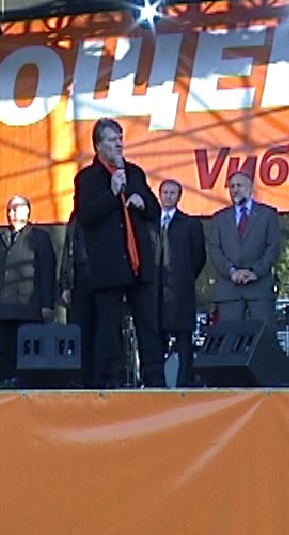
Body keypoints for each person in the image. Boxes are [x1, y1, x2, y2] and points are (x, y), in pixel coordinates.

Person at [74, 117, 164, 388]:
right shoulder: (88, 179)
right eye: (112, 140)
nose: (119, 144)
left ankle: (155, 383)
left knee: (148, 327)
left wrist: (143, 202)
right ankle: (109, 385)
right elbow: (85, 216)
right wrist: (112, 194)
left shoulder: (134, 173)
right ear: (98, 146)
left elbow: (155, 210)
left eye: (121, 139)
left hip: (138, 265)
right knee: (108, 329)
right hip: (108, 268)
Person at [0, 195, 56, 380]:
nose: (10, 213)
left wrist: (47, 304)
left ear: (26, 211)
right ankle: (10, 383)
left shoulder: (39, 237)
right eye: (8, 210)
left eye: (15, 209)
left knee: (30, 353)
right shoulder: (0, 239)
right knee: (6, 351)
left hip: (30, 307)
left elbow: (47, 271)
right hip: (5, 308)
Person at [208, 171, 281, 330]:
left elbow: (273, 247)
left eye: (239, 186)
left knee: (264, 337)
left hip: (259, 290)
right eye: (232, 186)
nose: (235, 190)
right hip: (229, 291)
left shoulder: (267, 215)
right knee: (230, 337)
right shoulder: (219, 218)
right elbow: (214, 249)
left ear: (250, 188)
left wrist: (255, 271)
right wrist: (232, 271)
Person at [157, 179, 206, 387]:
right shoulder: (150, 223)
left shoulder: (190, 224)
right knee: (155, 342)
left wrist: (184, 277)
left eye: (172, 193)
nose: (168, 197)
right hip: (155, 293)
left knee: (184, 341)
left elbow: (199, 257)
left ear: (179, 197)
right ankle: (155, 384)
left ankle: (184, 383)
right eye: (165, 192)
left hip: (181, 291)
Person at [58, 209, 98, 388]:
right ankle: (82, 377)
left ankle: (100, 377)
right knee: (80, 332)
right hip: (78, 279)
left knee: (101, 331)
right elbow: (68, 250)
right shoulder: (75, 218)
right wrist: (65, 283)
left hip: (101, 277)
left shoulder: (106, 210)